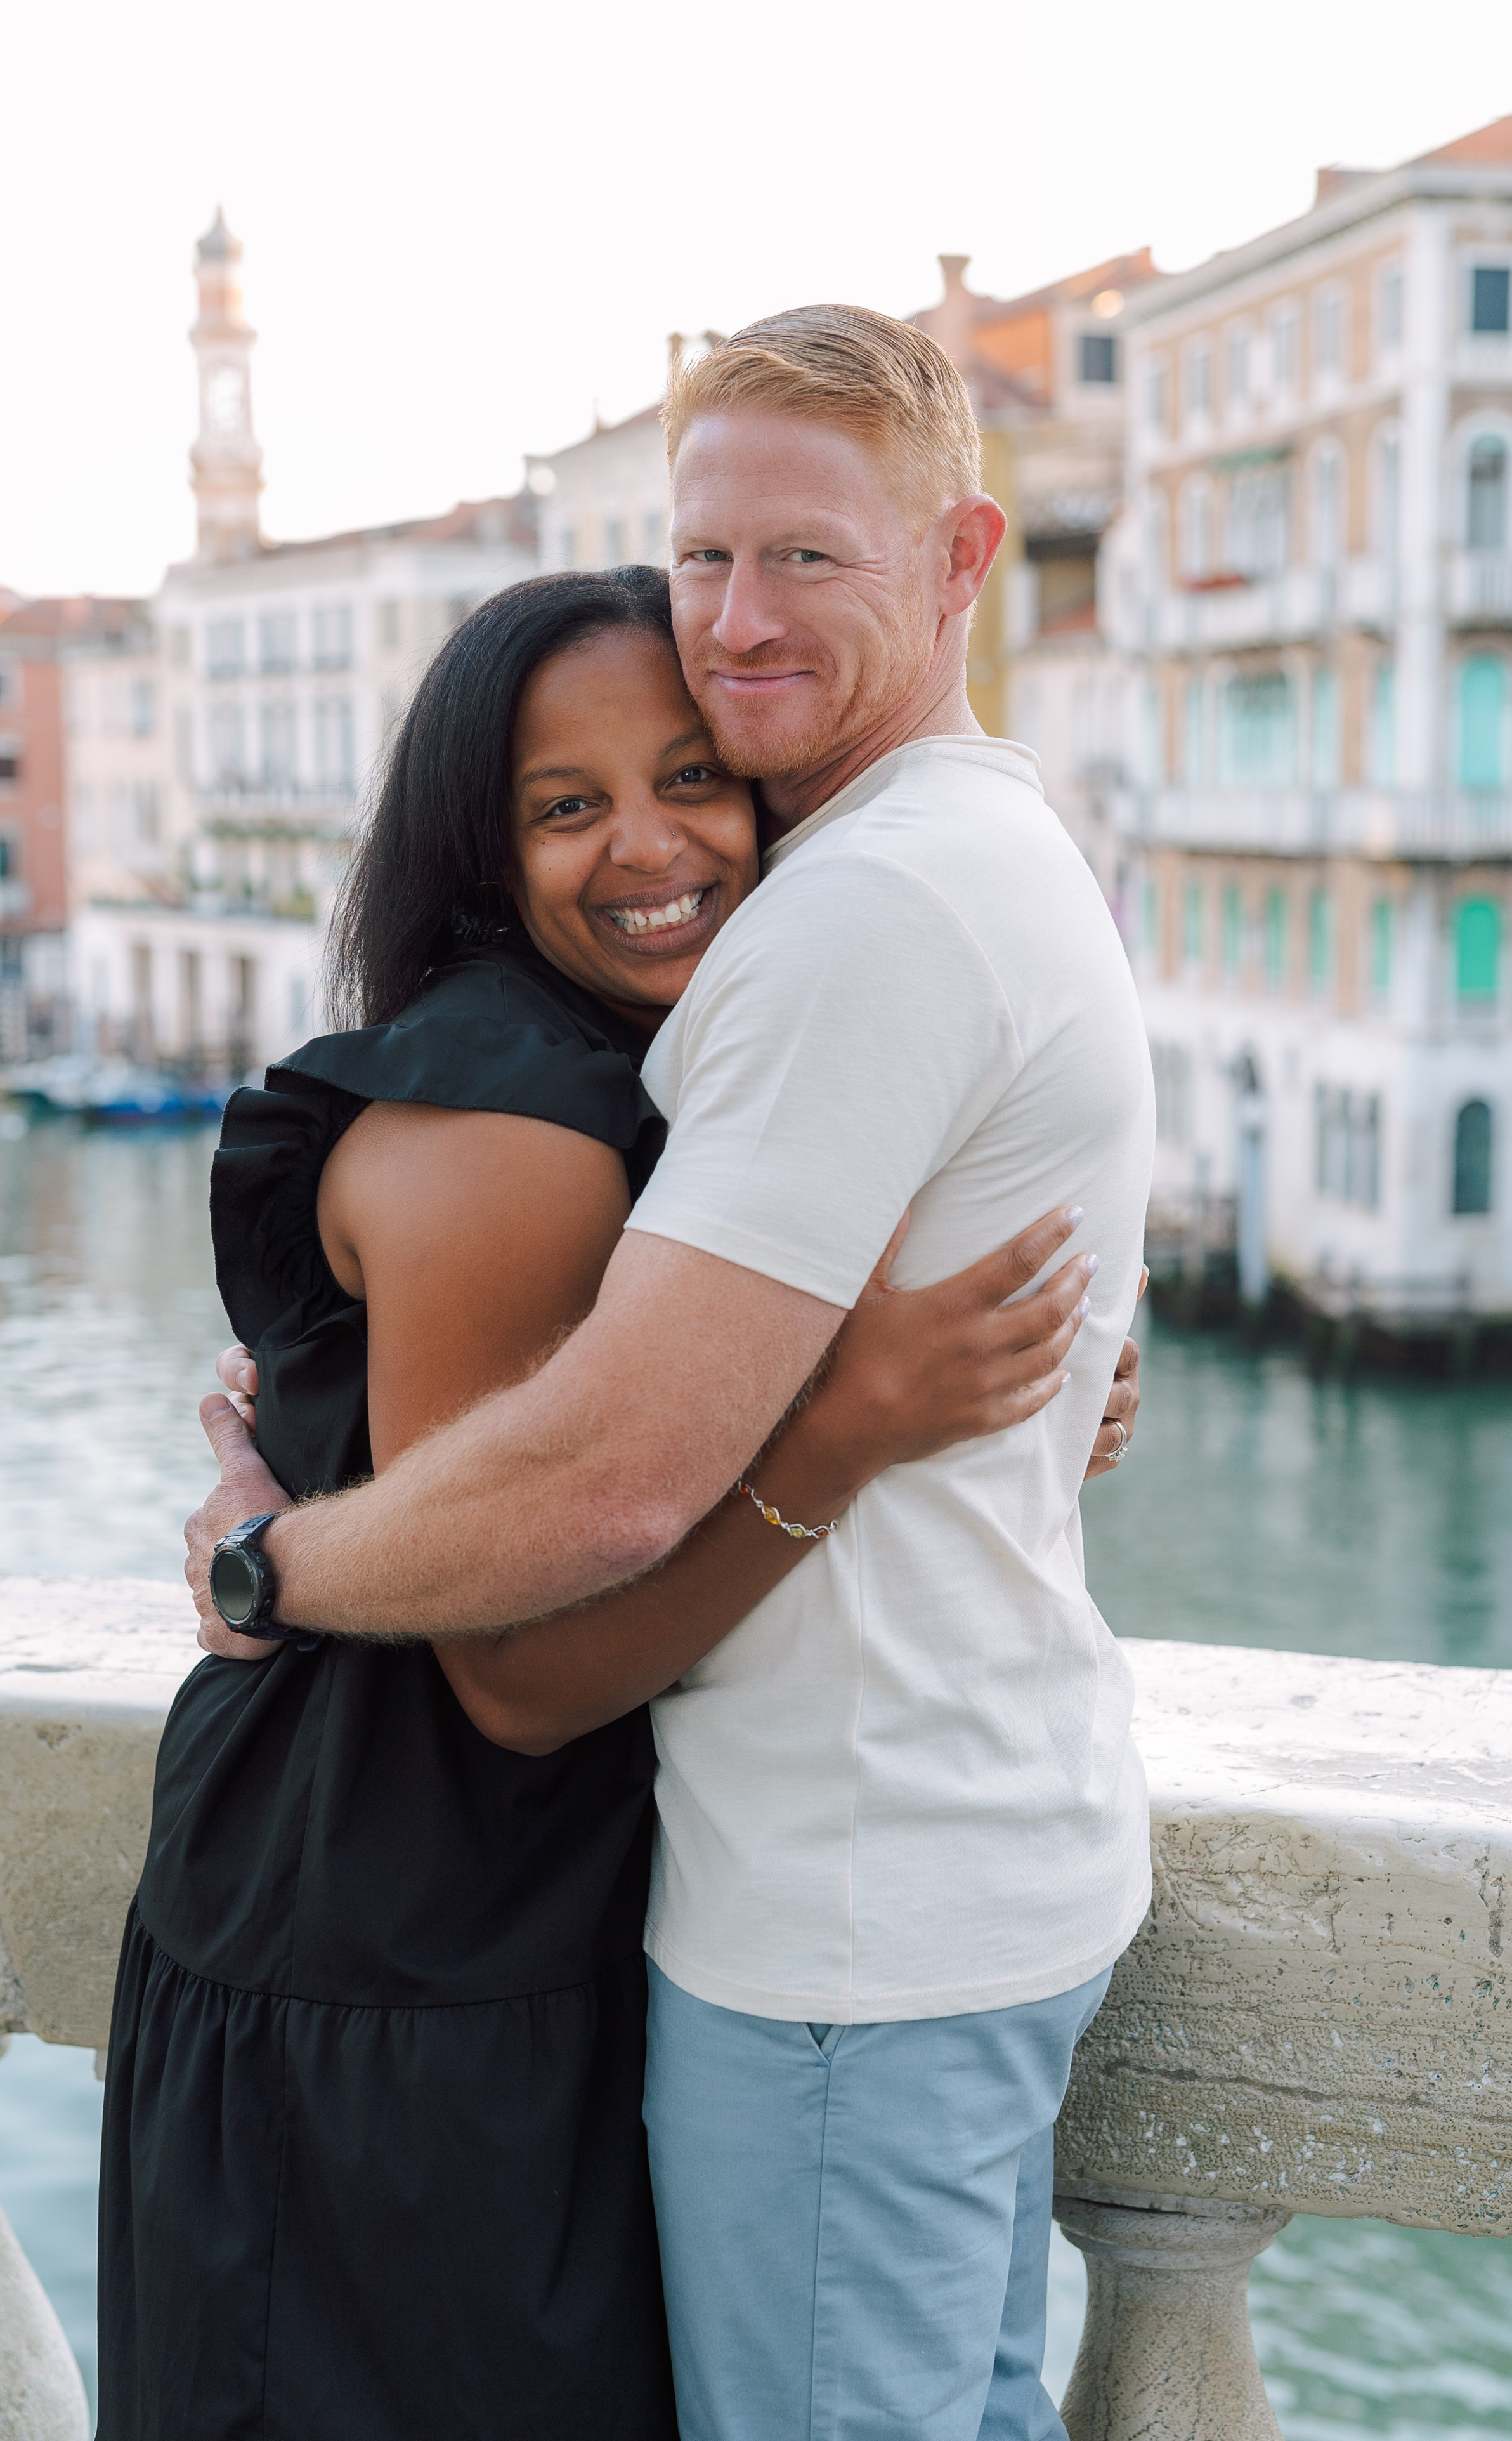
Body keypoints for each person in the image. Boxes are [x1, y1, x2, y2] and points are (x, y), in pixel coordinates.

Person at [185, 305, 1156, 2440]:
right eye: (706, 553)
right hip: (986, 1856)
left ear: (962, 554)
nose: (738, 616)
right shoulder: (986, 848)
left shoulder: (860, 916)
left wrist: (278, 1566)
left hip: (848, 1923)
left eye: (806, 556)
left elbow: (606, 1493)